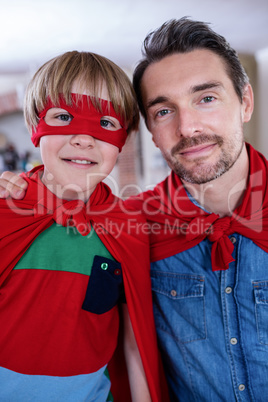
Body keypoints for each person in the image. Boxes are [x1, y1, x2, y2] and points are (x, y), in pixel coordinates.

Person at [2, 17, 268, 401]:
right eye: (164, 111)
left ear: (244, 102)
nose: (188, 127)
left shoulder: (121, 223)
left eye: (206, 98)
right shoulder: (138, 221)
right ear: (148, 129)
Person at [0, 50, 166, 402]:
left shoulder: (127, 227)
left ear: (123, 140)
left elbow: (134, 342)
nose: (84, 138)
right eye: (63, 116)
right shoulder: (5, 212)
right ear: (35, 128)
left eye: (106, 124)